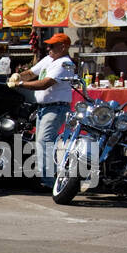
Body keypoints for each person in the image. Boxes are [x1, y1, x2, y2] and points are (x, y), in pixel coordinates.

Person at [17, 33, 77, 189]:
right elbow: (31, 73)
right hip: (45, 107)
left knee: (45, 142)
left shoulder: (65, 63)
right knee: (41, 142)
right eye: (48, 45)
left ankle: (47, 182)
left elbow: (45, 83)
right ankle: (44, 178)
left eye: (52, 45)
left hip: (56, 107)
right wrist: (17, 76)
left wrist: (21, 84)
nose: (48, 48)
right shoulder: (49, 59)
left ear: (63, 47)